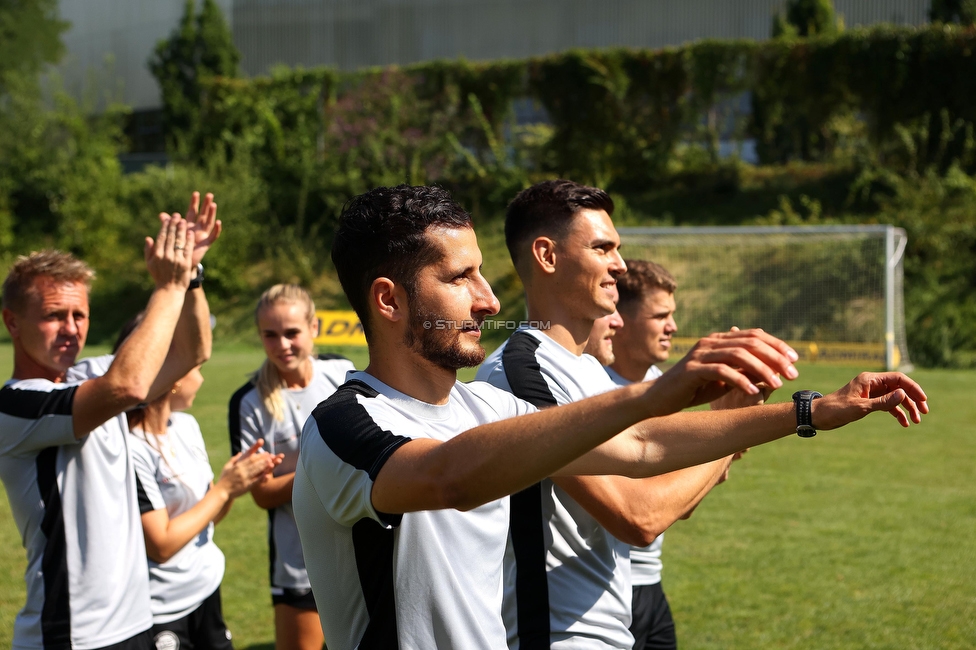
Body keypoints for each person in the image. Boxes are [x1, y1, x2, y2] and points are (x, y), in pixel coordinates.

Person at [291, 184, 926, 650]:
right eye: (462, 279)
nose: (489, 300)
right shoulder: (344, 424)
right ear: (389, 300)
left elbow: (643, 446)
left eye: (483, 274)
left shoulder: (484, 408)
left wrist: (812, 410)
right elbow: (446, 480)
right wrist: (651, 393)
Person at [0, 192, 219, 650]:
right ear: (12, 322)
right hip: (72, 634)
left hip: (135, 620)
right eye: (53, 315)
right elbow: (128, 387)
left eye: (79, 314)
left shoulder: (88, 372)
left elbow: (191, 352)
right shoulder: (16, 405)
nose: (71, 328)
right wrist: (167, 287)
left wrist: (191, 277)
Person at [588, 260, 754, 650]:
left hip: (651, 585)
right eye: (660, 315)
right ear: (621, 320)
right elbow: (644, 512)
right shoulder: (594, 393)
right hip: (604, 592)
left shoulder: (659, 386)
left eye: (673, 315)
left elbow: (684, 502)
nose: (673, 327)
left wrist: (729, 431)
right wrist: (728, 427)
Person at [112, 315, 280, 650]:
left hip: (205, 590)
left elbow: (209, 517)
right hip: (161, 609)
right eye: (195, 366)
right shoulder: (129, 446)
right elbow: (160, 546)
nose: (201, 376)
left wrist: (234, 484)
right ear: (170, 373)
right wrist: (223, 489)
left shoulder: (186, 426)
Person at [228, 284, 354, 650]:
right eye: (270, 335)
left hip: (357, 546)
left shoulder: (342, 373)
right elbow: (263, 495)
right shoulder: (249, 401)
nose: (282, 344)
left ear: (313, 328)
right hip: (298, 562)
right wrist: (322, 467)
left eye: (292, 332)